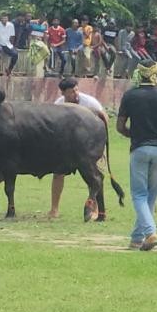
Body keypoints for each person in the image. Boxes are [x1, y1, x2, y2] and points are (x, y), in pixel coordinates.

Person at [116, 60, 157, 250]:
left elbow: (120, 127)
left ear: (139, 73)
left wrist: (135, 135)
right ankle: (137, 238)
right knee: (150, 196)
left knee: (138, 194)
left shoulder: (130, 96)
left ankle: (150, 234)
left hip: (139, 149)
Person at [49, 78, 108, 220]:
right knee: (58, 174)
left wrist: (101, 144)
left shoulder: (89, 102)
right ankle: (54, 209)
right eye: (71, 92)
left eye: (76, 90)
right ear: (63, 93)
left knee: (92, 174)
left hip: (89, 144)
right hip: (66, 146)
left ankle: (95, 209)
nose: (76, 94)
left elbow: (104, 118)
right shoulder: (58, 105)